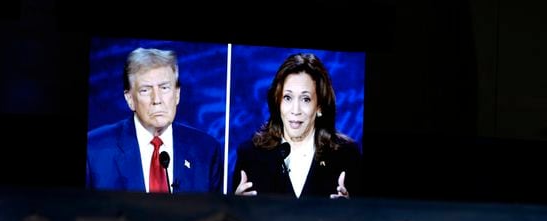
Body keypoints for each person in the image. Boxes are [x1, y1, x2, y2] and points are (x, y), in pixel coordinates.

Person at [87, 48, 223, 194]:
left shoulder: (206, 150)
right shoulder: (94, 150)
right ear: (130, 99)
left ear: (177, 94)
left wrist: (236, 203)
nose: (157, 100)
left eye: (164, 88)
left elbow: (216, 212)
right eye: (145, 90)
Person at [233, 53, 362, 198]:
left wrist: (350, 209)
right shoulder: (250, 155)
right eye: (287, 97)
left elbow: (365, 217)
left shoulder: (346, 155)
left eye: (305, 99)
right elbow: (233, 217)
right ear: (278, 102)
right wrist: (235, 206)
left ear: (319, 106)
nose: (295, 110)